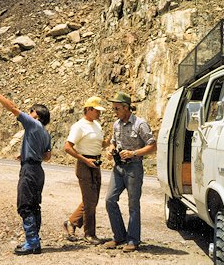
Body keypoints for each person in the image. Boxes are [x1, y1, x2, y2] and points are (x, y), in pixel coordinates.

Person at [0, 85, 51, 256]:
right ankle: (33, 240)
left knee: (24, 206)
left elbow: (13, 108)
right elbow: (47, 156)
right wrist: (30, 154)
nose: (29, 113)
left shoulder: (33, 124)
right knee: (35, 206)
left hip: (29, 170)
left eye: (32, 111)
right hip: (38, 170)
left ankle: (33, 243)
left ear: (37, 114)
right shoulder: (46, 133)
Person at [104, 92, 156, 252]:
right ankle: (119, 236)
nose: (115, 111)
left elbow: (152, 146)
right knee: (109, 200)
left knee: (133, 205)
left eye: (117, 108)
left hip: (134, 167)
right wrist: (110, 149)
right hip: (118, 167)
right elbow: (113, 141)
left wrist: (133, 153)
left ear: (126, 108)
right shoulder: (116, 124)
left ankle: (133, 240)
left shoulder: (140, 124)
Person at [63, 96, 109, 245]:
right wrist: (84, 160)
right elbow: (68, 147)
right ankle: (90, 234)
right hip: (85, 164)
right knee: (90, 201)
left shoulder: (96, 125)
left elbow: (98, 144)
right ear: (88, 109)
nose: (99, 114)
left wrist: (107, 143)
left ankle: (71, 222)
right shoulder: (79, 126)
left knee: (92, 199)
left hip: (95, 163)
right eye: (96, 110)